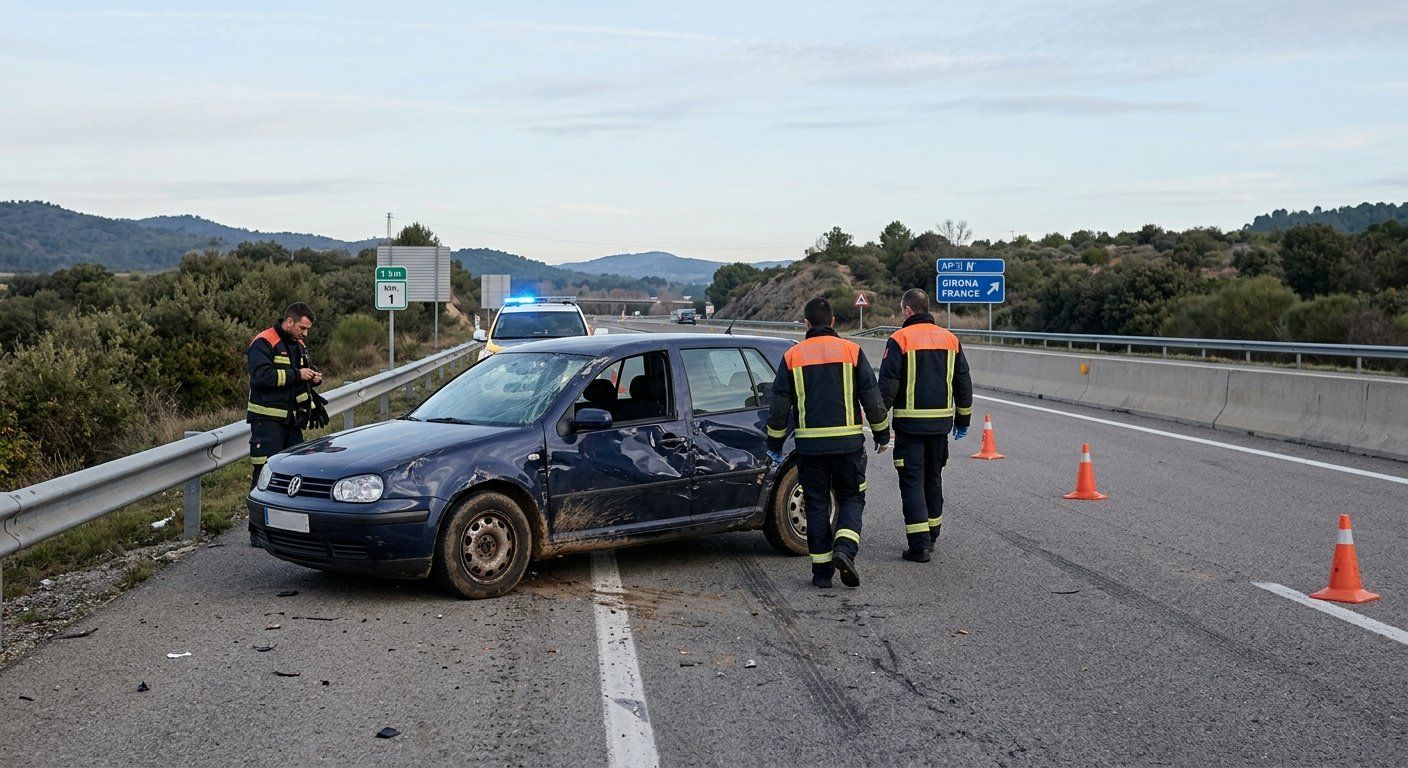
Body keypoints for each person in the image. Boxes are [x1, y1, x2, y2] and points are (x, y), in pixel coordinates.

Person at [766, 297, 890, 589]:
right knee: (851, 497)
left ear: (806, 324)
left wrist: (774, 443)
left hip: (810, 449)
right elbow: (871, 399)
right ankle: (845, 550)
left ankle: (821, 573)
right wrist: (882, 435)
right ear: (833, 322)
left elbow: (779, 407)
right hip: (848, 446)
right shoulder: (852, 352)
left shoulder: (793, 357)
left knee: (817, 503)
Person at [878, 288, 973, 563]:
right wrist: (963, 420)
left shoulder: (899, 339)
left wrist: (878, 423)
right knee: (933, 478)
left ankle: (919, 545)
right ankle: (932, 534)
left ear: (908, 310)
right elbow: (963, 382)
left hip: (909, 427)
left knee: (912, 482)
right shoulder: (951, 339)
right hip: (940, 427)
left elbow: (887, 387)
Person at [247, 303, 324, 521]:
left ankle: (286, 524)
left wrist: (314, 377)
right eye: (302, 327)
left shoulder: (297, 343)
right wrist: (297, 375)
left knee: (293, 473)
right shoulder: (264, 342)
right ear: (289, 321)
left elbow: (303, 372)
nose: (305, 333)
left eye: (307, 329)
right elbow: (261, 377)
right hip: (267, 421)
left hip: (292, 422)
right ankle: (257, 529)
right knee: (265, 474)